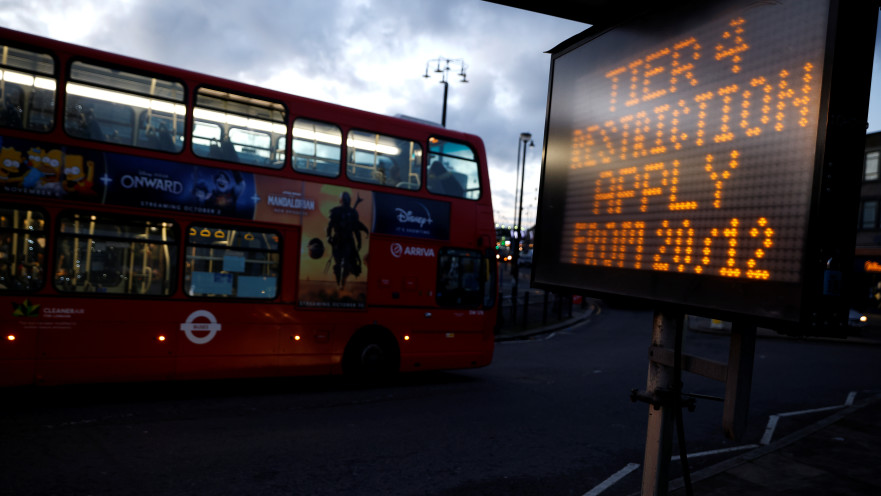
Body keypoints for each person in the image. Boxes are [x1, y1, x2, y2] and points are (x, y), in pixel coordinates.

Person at [326, 191, 369, 290]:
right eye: (344, 200)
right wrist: (328, 237)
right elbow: (330, 226)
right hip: (337, 240)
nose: (346, 202)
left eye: (347, 200)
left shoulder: (353, 213)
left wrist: (359, 242)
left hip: (348, 240)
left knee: (347, 262)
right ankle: (339, 283)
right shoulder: (336, 211)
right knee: (338, 263)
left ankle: (342, 283)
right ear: (341, 201)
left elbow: (356, 228)